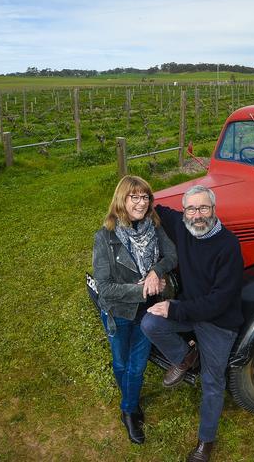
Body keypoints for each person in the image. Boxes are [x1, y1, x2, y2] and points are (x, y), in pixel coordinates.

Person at [141, 185, 244, 462]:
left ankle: (205, 443)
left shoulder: (228, 245)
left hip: (218, 322)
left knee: (212, 382)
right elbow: (154, 206)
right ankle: (187, 355)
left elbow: (218, 302)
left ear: (213, 210)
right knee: (150, 323)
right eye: (191, 208)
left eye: (203, 208)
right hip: (189, 308)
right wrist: (136, 194)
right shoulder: (182, 226)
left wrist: (176, 310)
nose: (197, 215)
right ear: (184, 211)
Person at [92, 175, 177, 444]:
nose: (142, 203)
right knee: (120, 362)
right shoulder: (105, 237)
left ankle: (128, 411)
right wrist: (140, 289)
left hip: (147, 310)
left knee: (137, 366)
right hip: (118, 311)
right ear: (122, 199)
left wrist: (155, 271)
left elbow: (171, 255)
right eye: (135, 197)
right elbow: (104, 287)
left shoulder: (154, 225)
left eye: (145, 197)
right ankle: (130, 398)